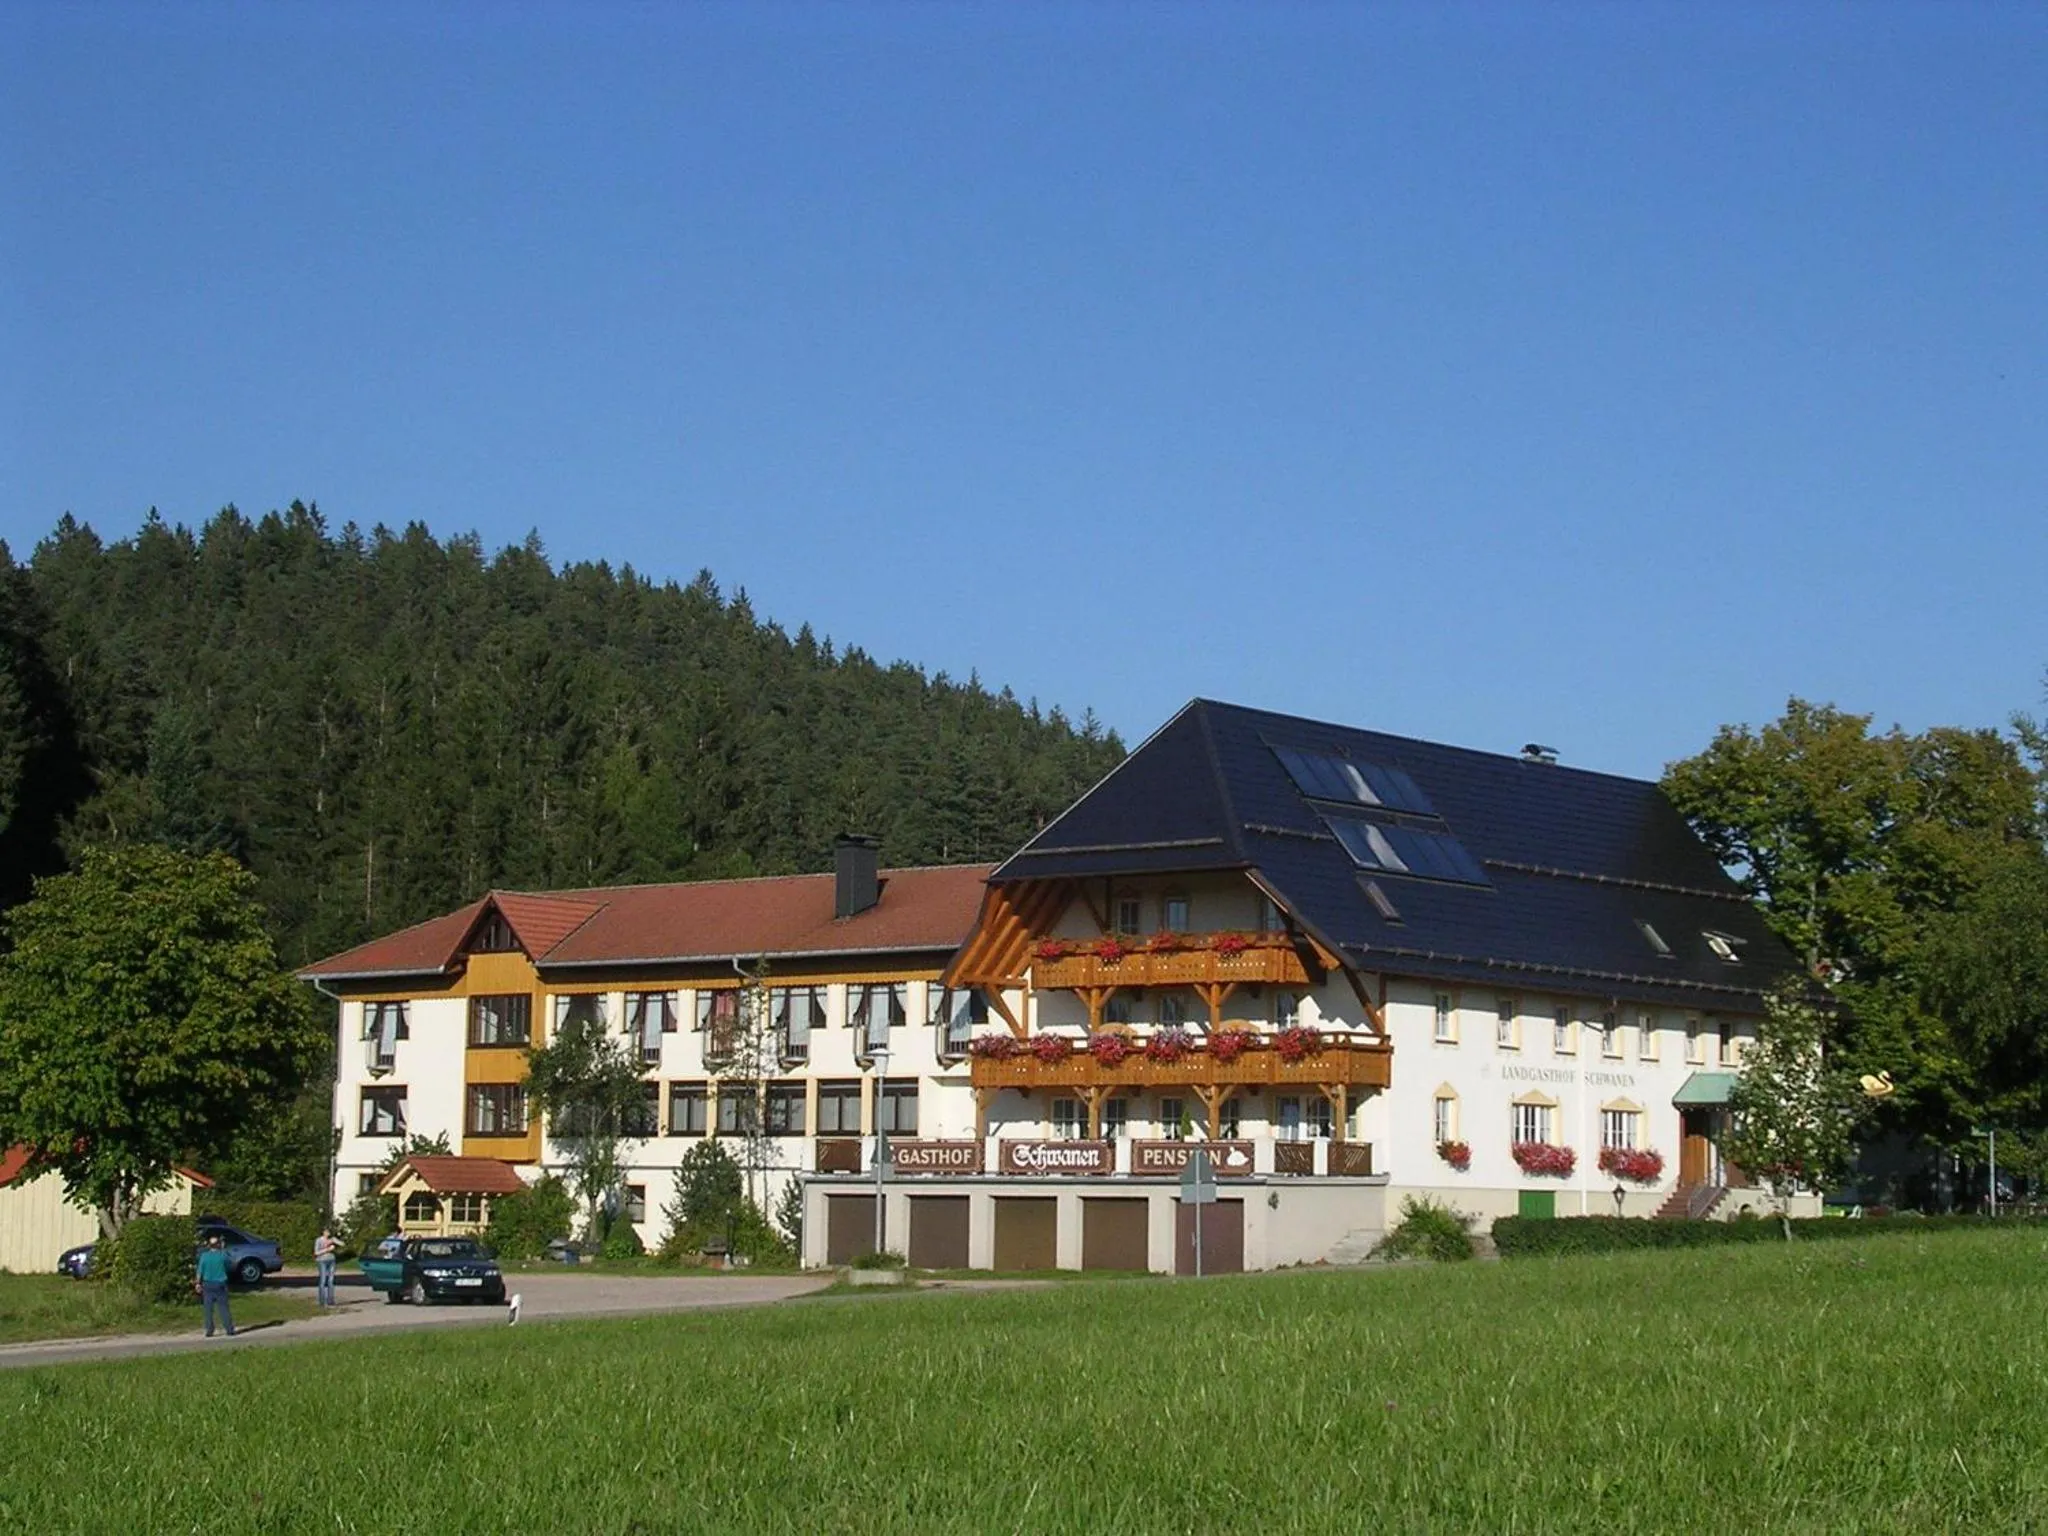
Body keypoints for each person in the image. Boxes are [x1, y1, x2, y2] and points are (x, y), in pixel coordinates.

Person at [196, 1233, 235, 1338]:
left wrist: (198, 1283)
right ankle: (229, 1329)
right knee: (223, 1308)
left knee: (208, 1309)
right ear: (218, 1244)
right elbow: (230, 1264)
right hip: (221, 1283)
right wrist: (223, 1248)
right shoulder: (223, 1255)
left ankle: (209, 1330)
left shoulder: (204, 1256)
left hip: (207, 1284)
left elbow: (199, 1271)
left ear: (209, 1245)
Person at [313, 1226, 339, 1308]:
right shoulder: (319, 1240)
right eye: (326, 1231)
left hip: (331, 1260)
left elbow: (343, 1244)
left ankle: (330, 1301)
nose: (328, 1233)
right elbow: (316, 1253)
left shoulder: (331, 1240)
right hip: (322, 1261)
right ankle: (322, 1302)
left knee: (331, 1281)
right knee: (323, 1280)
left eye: (329, 1232)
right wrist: (327, 1249)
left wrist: (336, 1241)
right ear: (323, 1232)